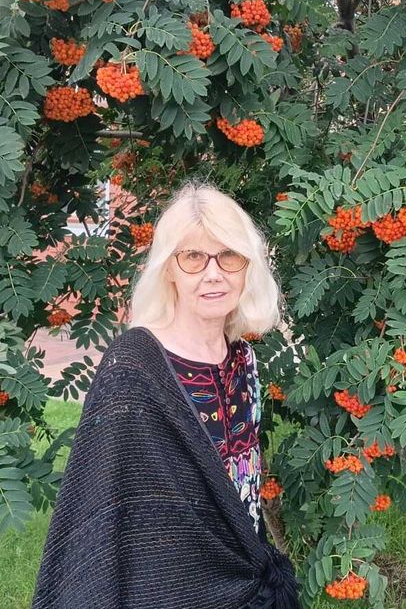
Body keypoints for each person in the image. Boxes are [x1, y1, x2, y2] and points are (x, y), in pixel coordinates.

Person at [32, 180, 301, 609]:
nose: (213, 273)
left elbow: (245, 490)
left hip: (249, 585)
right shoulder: (133, 367)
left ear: (248, 266)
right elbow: (103, 502)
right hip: (168, 588)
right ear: (169, 269)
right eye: (193, 256)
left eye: (229, 255)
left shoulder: (244, 359)